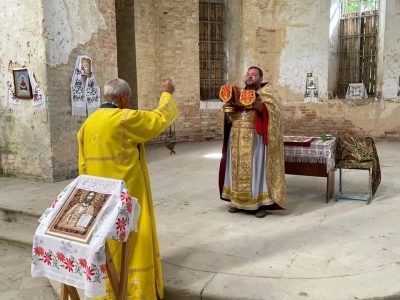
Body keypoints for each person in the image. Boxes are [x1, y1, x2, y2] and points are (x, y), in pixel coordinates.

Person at [77, 78, 178, 300]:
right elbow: (158, 119)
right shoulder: (124, 118)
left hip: (99, 199)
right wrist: (166, 94)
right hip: (127, 195)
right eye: (129, 99)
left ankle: (107, 290)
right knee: (132, 237)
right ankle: (135, 290)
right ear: (123, 97)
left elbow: (82, 166)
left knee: (107, 241)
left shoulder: (88, 124)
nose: (129, 103)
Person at [218, 66, 286, 218]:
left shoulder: (265, 95)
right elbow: (227, 115)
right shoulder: (237, 93)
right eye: (248, 74)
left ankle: (258, 204)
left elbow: (274, 114)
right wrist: (228, 107)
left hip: (255, 138)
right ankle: (236, 201)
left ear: (260, 79)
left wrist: (260, 106)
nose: (250, 77)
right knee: (234, 169)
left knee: (256, 169)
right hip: (236, 137)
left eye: (254, 75)